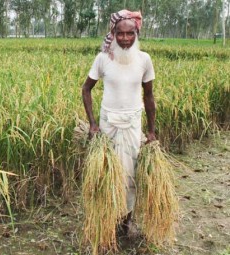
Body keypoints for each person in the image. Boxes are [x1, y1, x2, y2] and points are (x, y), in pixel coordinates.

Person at [82, 10, 156, 236]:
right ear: (112, 34)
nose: (125, 38)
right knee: (106, 174)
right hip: (108, 125)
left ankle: (127, 221)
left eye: (130, 33)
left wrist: (151, 131)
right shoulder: (103, 59)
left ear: (136, 33)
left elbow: (149, 97)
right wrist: (93, 124)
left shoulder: (144, 60)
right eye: (120, 33)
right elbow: (86, 89)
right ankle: (105, 219)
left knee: (130, 174)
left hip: (133, 125)